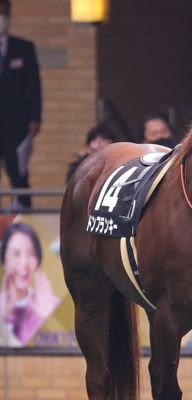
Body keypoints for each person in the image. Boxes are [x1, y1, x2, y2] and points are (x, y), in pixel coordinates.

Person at [0, 0, 42, 208]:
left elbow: (34, 87)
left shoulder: (23, 48)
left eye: (3, 13)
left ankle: (26, 217)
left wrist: (35, 118)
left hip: (16, 125)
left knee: (19, 173)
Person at [0, 222, 59, 346]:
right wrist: (3, 317)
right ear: (4, 262)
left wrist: (46, 316)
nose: (24, 263)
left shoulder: (49, 303)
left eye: (31, 253)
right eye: (16, 254)